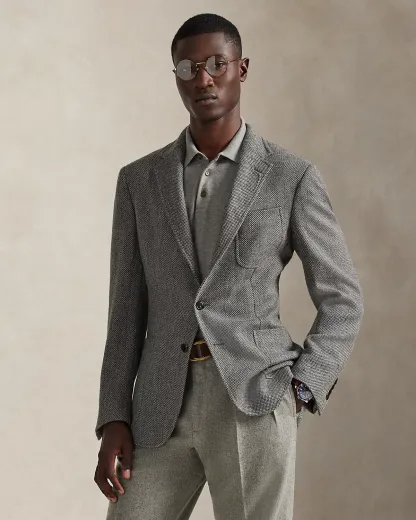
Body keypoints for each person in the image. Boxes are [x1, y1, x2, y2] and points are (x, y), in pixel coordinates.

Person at [93, 12, 364, 520]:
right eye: (189, 67)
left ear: (242, 68)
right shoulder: (139, 182)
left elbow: (343, 298)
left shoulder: (290, 177)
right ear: (176, 77)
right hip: (157, 408)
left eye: (217, 63)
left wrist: (301, 387)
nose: (204, 78)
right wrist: (113, 416)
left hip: (253, 400)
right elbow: (124, 312)